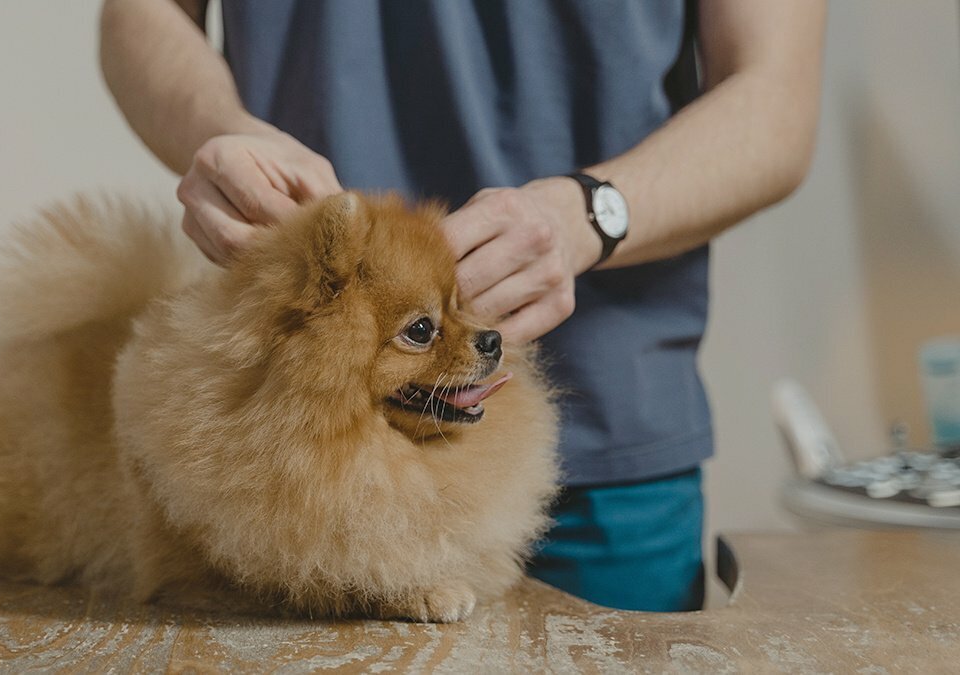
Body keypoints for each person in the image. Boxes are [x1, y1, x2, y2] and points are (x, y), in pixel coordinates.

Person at [99, 0, 826, 612]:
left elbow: (776, 98)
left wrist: (592, 213)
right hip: (285, 484)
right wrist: (220, 131)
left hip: (606, 449)